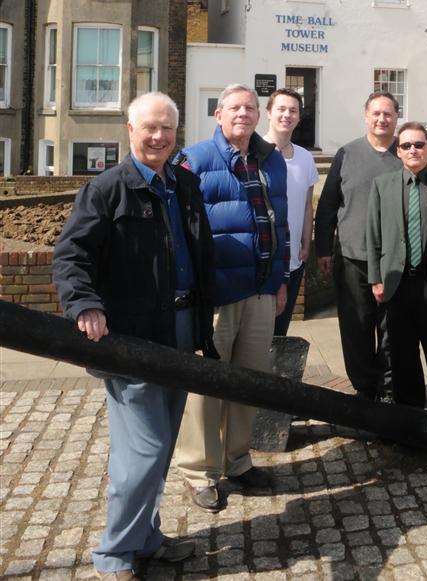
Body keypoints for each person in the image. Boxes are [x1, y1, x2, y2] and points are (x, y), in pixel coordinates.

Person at [53, 92, 217, 580]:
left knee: (162, 446)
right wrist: (84, 304)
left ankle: (146, 537)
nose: (158, 136)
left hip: (182, 329)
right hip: (133, 338)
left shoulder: (184, 183)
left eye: (167, 128)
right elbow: (71, 256)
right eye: (149, 127)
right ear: (129, 129)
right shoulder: (107, 189)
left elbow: (196, 253)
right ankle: (114, 554)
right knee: (142, 451)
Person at [174, 83, 289, 512]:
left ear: (258, 116)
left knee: (248, 381)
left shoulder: (270, 159)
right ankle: (198, 470)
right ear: (218, 115)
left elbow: (283, 225)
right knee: (206, 386)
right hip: (217, 295)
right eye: (234, 107)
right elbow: (182, 233)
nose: (243, 114)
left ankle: (237, 460)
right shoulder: (196, 160)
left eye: (250, 108)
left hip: (261, 291)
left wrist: (279, 281)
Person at [366, 123, 427, 416]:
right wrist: (375, 278)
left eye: (419, 144)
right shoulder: (383, 185)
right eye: (406, 145)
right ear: (398, 151)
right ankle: (411, 412)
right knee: (403, 353)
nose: (413, 150)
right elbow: (374, 235)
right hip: (397, 282)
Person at [315, 92, 401, 401]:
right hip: (353, 258)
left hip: (394, 261)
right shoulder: (347, 154)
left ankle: (389, 389)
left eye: (388, 114)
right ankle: (365, 389)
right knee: (356, 329)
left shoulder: (406, 153)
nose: (381, 119)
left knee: (392, 331)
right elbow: (327, 206)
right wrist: (323, 248)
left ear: (396, 117)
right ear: (366, 116)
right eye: (376, 113)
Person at [264, 87, 319, 336]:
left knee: (280, 334)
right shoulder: (253, 154)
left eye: (293, 110)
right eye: (281, 109)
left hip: (294, 261)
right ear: (268, 113)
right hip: (263, 264)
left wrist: (306, 244)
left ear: (299, 116)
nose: (287, 115)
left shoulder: (306, 158)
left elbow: (307, 206)